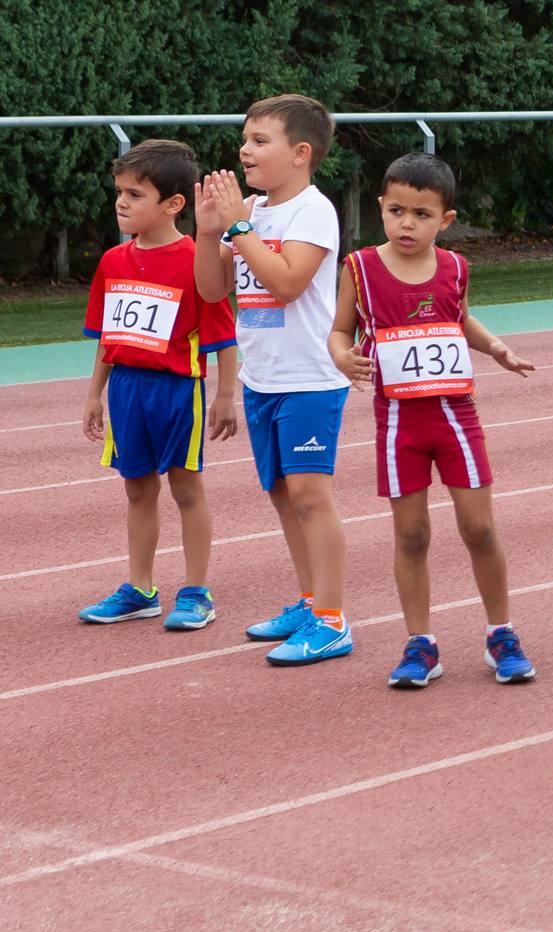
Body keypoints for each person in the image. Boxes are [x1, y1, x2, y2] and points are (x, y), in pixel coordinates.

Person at [327, 153, 540, 689]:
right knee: (413, 534)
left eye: (421, 215)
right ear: (381, 208)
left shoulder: (455, 267)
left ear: (444, 220)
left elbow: (459, 317)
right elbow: (339, 330)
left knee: (480, 527)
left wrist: (494, 348)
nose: (406, 223)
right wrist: (340, 355)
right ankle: (420, 643)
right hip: (398, 422)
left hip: (454, 417)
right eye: (396, 211)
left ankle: (501, 634)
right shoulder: (359, 268)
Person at [195, 93, 354, 665]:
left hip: (309, 378)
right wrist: (210, 233)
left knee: (312, 495)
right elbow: (214, 292)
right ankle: (311, 601)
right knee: (283, 495)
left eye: (261, 140)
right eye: (245, 139)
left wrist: (239, 225)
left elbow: (286, 282)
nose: (245, 150)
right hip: (264, 377)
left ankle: (333, 620)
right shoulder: (255, 214)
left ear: (301, 153)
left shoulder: (313, 210)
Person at [78, 139, 237, 632]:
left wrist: (227, 394)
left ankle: (195, 591)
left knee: (186, 488)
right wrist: (94, 392)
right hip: (126, 389)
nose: (121, 202)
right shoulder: (112, 261)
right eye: (119, 192)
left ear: (173, 204)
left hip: (176, 390)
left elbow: (223, 333)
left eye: (134, 194)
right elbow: (108, 335)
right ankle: (140, 588)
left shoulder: (197, 260)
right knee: (137, 489)